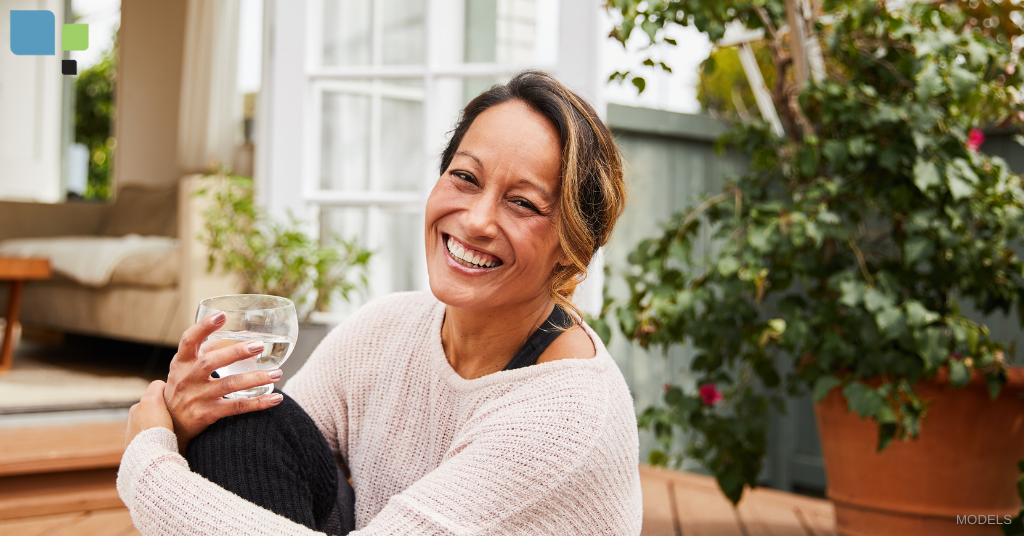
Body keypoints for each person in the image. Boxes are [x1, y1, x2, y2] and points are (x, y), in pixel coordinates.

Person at [118, 70, 641, 535]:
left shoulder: (565, 420)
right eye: (465, 177)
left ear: (571, 247)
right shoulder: (388, 329)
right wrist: (189, 421)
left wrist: (151, 465)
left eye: (523, 203)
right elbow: (262, 458)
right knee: (240, 417)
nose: (478, 221)